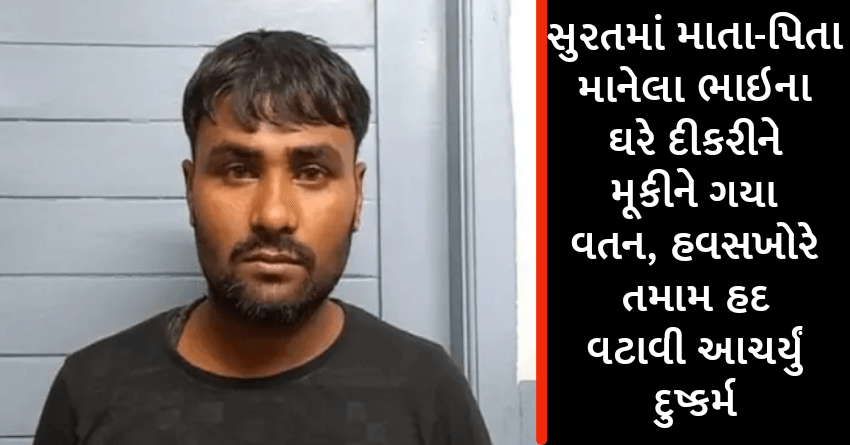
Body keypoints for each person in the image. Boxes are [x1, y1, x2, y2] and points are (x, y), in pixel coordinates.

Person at [32, 29, 492, 445]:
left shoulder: (427, 390)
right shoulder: (90, 391)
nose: (273, 215)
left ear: (357, 196)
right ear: (191, 190)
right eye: (238, 170)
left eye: (312, 172)